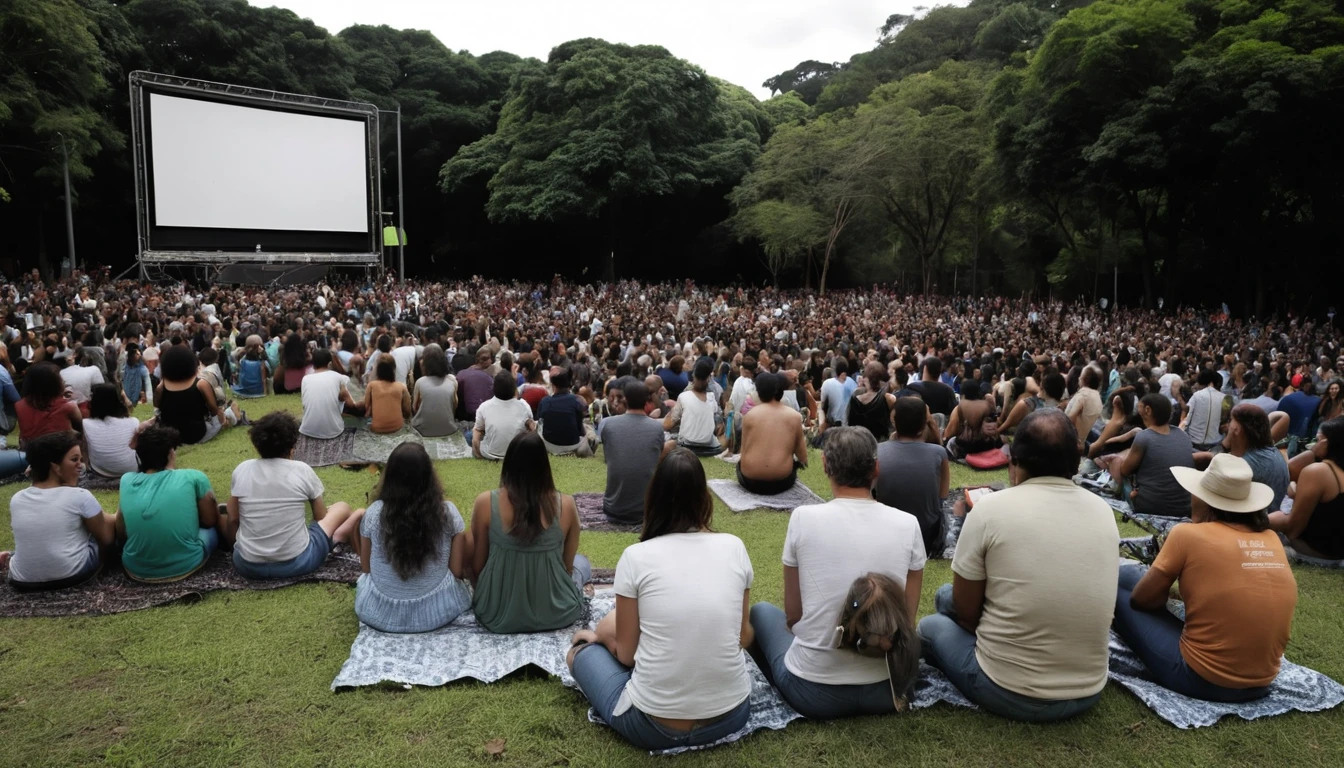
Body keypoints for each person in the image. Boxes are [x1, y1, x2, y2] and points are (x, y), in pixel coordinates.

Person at [919, 409, 1120, 721]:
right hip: (1088, 689)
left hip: (1009, 690)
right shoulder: (1103, 511)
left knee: (932, 622)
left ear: (1014, 461)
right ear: (1076, 459)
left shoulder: (990, 510)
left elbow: (968, 616)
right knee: (948, 596)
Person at [566, 449, 754, 752]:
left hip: (653, 727)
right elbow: (743, 637)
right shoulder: (734, 547)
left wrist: (600, 638)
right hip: (732, 714)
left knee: (580, 654)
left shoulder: (636, 557)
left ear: (653, 496)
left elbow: (626, 656)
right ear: (704, 498)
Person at [749, 427, 924, 719]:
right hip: (887, 688)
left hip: (812, 691)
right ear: (876, 468)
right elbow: (907, 619)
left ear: (826, 467)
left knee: (763, 612)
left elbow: (793, 616)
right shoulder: (908, 524)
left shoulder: (803, 518)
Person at [1116, 453, 1295, 701]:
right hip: (1263, 681)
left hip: (1202, 678)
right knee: (1131, 578)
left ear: (1205, 499)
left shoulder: (1187, 535)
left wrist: (1164, 591)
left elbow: (1142, 601)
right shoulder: (1271, 539)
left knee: (1120, 586)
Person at [347, 442, 472, 633]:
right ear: (429, 477)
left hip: (378, 613)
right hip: (439, 612)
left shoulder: (373, 514)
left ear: (389, 476)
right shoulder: (447, 513)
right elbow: (456, 571)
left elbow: (366, 568)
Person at [471, 432, 590, 633]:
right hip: (557, 612)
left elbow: (477, 566)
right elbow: (567, 567)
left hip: (495, 613)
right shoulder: (567, 505)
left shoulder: (485, 503)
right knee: (582, 563)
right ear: (545, 466)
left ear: (508, 463)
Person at [225, 412, 355, 579]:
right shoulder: (301, 470)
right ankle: (334, 539)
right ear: (293, 447)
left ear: (257, 445)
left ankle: (333, 538)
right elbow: (320, 515)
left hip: (247, 565)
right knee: (342, 508)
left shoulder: (242, 469)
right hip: (299, 562)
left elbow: (233, 518)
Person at [2, 431, 116, 590]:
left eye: (80, 460)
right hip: (71, 575)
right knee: (103, 536)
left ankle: (11, 557)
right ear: (55, 467)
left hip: (22, 580)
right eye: (74, 460)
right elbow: (106, 538)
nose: (80, 466)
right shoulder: (80, 496)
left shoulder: (17, 498)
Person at [117, 426, 223, 582]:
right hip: (186, 562)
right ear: (171, 453)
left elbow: (121, 531)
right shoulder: (194, 477)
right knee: (216, 525)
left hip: (135, 566)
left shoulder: (126, 480)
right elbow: (209, 520)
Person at [875, 397, 950, 557]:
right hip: (925, 532)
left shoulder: (877, 451)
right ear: (925, 424)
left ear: (894, 422)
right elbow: (943, 496)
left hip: (886, 530)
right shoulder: (939, 453)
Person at [1102, 394, 1196, 517]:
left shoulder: (1144, 437)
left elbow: (1124, 470)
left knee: (1116, 463)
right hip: (1184, 508)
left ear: (1148, 410)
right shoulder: (1182, 435)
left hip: (1152, 507)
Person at [1270, 416, 1344, 559]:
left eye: (1316, 440)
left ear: (1325, 442)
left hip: (1315, 552)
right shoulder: (1333, 471)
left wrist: (1263, 520)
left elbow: (1293, 530)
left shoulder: (1319, 471)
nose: (1312, 444)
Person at [599, 380, 666, 525]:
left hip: (613, 509)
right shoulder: (656, 428)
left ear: (625, 399)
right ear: (647, 400)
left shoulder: (608, 424)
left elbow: (609, 456)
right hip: (647, 511)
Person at [1208, 403, 1289, 514]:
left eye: (1230, 420)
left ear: (1236, 428)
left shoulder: (1244, 467)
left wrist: (1226, 442)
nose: (1227, 425)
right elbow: (1280, 415)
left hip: (1250, 526)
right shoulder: (1270, 450)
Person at [737, 372, 809, 495]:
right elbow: (802, 457)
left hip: (749, 480)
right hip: (782, 481)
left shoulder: (749, 416)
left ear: (758, 392)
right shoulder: (794, 416)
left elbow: (743, 452)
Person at [155, 344, 238, 445]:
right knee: (231, 408)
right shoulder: (201, 384)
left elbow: (157, 406)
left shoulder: (161, 386)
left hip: (171, 436)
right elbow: (214, 410)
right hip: (197, 434)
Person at [663, 358, 723, 456]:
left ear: (693, 376)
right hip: (710, 448)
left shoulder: (684, 396)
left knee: (668, 441)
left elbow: (667, 424)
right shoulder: (712, 398)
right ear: (708, 378)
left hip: (686, 445)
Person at [16, 361, 82, 449]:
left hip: (31, 451)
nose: (64, 381)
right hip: (60, 452)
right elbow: (81, 427)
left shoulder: (19, 405)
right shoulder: (69, 406)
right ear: (54, 386)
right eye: (61, 380)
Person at [82, 383, 141, 480]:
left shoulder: (85, 424)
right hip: (131, 470)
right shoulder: (134, 422)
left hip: (99, 473)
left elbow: (84, 450)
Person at [472, 371, 535, 460]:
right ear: (514, 389)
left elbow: (476, 436)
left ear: (494, 388)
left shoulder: (484, 407)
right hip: (518, 454)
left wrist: (478, 454)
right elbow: (532, 429)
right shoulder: (524, 405)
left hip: (490, 454)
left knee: (470, 434)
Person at [299, 349, 358, 440]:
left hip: (307, 430)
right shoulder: (340, 377)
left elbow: (305, 405)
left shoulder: (305, 379)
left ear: (313, 365)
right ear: (330, 364)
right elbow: (349, 401)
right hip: (334, 431)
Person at [537, 368, 594, 457]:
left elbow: (540, 422)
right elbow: (581, 429)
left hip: (548, 445)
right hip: (573, 445)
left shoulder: (544, 401)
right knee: (588, 426)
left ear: (553, 385)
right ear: (568, 384)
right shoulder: (578, 400)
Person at [943, 380, 1001, 459]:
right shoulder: (986, 404)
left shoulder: (960, 408)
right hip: (988, 445)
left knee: (951, 441)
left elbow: (949, 432)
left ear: (963, 395)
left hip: (968, 447)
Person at [410, 344, 459, 437]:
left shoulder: (420, 382)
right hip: (449, 429)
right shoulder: (452, 380)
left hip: (422, 430)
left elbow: (415, 408)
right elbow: (454, 406)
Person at [846, 361, 896, 442]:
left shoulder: (855, 398)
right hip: (880, 444)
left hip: (859, 443)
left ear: (866, 379)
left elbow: (849, 423)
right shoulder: (887, 398)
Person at [362, 355, 412, 434]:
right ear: (394, 369)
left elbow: (365, 406)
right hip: (397, 428)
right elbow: (408, 411)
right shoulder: (401, 387)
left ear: (378, 370)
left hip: (377, 429)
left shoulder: (372, 385)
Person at [1183, 369, 1228, 452]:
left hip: (1193, 443)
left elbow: (1187, 417)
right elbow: (1224, 426)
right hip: (1215, 445)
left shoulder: (1197, 395)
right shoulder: (1226, 399)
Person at [1276, 385, 1321, 455]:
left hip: (1282, 422)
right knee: (1294, 441)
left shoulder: (1292, 396)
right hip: (1299, 427)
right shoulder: (1317, 400)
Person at [1065, 366, 1103, 448]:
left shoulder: (1083, 395)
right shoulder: (1097, 395)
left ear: (1086, 380)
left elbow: (1070, 418)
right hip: (1083, 437)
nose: (1078, 378)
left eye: (1081, 376)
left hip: (1071, 439)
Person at [60, 350, 105, 416]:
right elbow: (101, 392)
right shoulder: (94, 369)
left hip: (63, 409)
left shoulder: (62, 372)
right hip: (83, 410)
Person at [458, 347, 496, 421]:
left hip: (462, 417)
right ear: (488, 361)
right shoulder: (489, 379)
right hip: (480, 418)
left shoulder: (461, 373)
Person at [818, 358, 856, 431]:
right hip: (850, 427)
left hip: (833, 426)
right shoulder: (853, 383)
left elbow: (823, 406)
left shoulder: (827, 383)